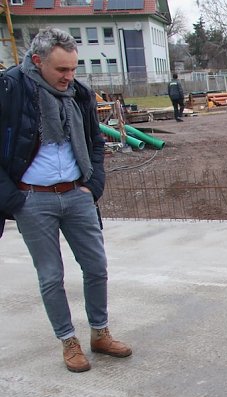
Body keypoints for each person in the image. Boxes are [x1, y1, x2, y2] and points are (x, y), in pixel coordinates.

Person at [0, 28, 132, 372]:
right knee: (50, 275)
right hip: (32, 200)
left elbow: (95, 142)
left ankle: (100, 333)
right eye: (61, 70)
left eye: (73, 69)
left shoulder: (79, 94)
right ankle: (68, 341)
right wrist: (13, 199)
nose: (68, 77)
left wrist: (94, 186)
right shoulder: (10, 89)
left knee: (96, 267)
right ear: (37, 61)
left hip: (77, 195)